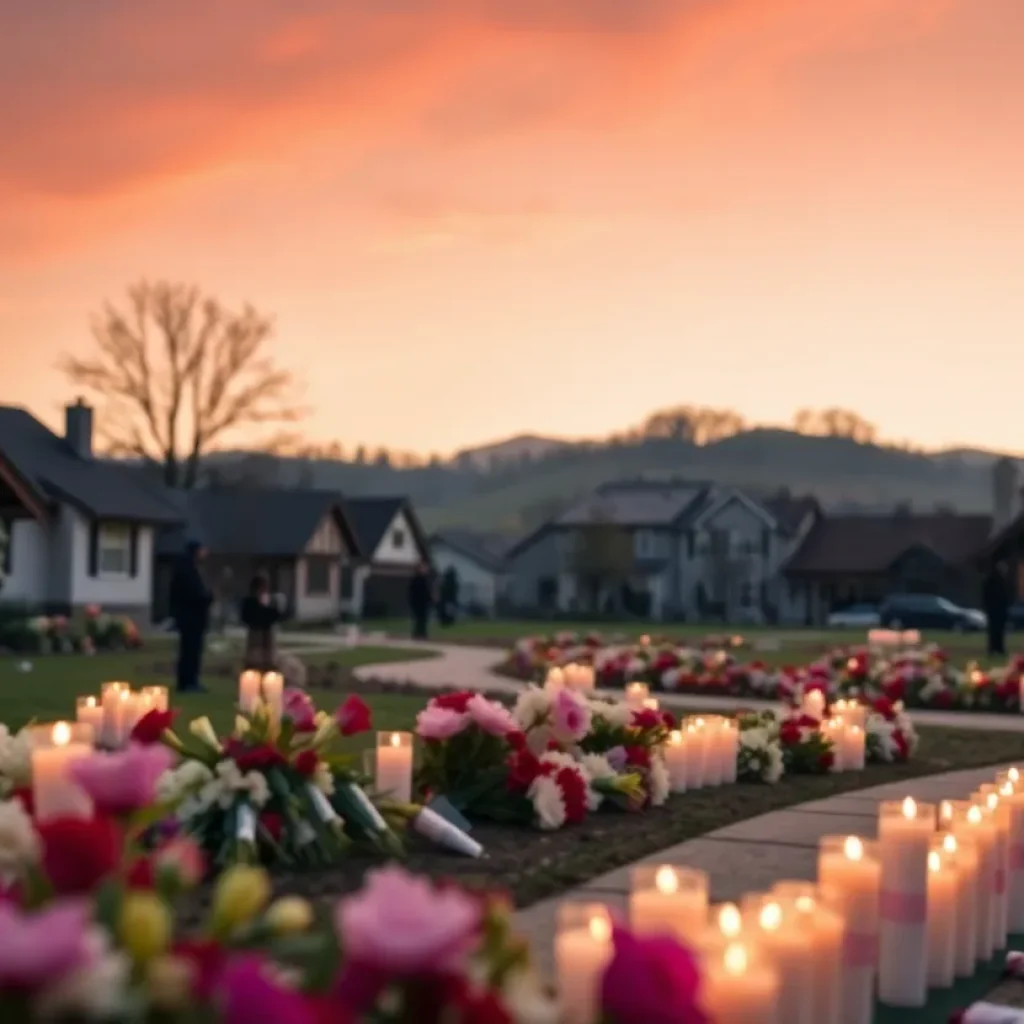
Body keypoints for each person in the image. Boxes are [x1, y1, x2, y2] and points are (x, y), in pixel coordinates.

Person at [169, 539, 213, 693]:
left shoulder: (190, 567)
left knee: (191, 651)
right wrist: (207, 597)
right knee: (190, 651)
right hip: (191, 618)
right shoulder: (187, 569)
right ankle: (188, 682)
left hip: (192, 618)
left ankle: (189, 681)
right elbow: (193, 593)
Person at [240, 572, 285, 672]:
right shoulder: (250, 601)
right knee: (255, 657)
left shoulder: (270, 600)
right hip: (255, 632)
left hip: (268, 631)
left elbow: (276, 615)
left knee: (269, 657)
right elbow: (247, 617)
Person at [982, 560, 1012, 657]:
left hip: (1001, 610)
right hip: (994, 610)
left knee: (1000, 630)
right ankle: (993, 649)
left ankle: (999, 649)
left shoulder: (1003, 581)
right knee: (993, 630)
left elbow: (1007, 596)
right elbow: (986, 595)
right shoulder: (991, 581)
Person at [408, 561, 433, 640]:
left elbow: (427, 592)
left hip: (423, 603)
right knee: (420, 619)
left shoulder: (424, 579)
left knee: (422, 619)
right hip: (419, 603)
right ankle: (419, 634)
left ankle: (420, 634)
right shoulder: (417, 580)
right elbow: (416, 593)